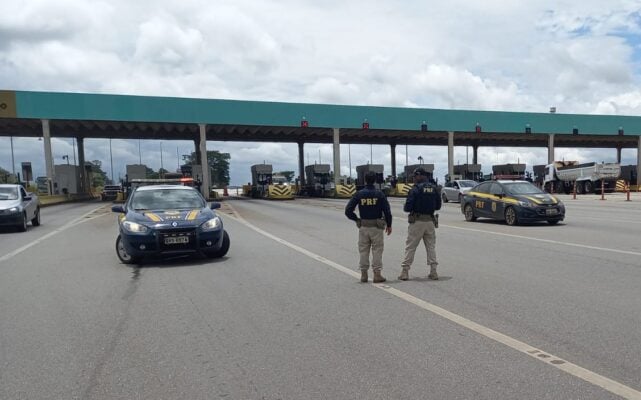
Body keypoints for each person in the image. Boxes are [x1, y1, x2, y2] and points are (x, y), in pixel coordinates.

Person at [345, 171, 393, 283]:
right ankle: (377, 275)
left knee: (363, 250)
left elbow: (348, 211)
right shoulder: (379, 194)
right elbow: (387, 211)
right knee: (377, 250)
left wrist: (356, 219)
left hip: (364, 226)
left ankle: (363, 274)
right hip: (377, 227)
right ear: (375, 180)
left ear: (365, 180)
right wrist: (389, 225)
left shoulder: (359, 194)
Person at [398, 167, 441, 281]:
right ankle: (433, 271)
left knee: (410, 247)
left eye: (415, 176)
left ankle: (405, 271)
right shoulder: (434, 188)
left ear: (419, 175)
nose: (414, 178)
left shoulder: (415, 189)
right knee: (431, 247)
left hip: (417, 221)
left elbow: (408, 208)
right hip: (430, 221)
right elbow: (438, 206)